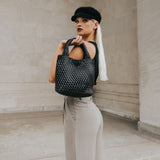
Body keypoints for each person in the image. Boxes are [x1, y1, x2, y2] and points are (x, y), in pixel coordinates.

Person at [48, 6, 108, 160]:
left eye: (85, 20)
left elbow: (53, 77)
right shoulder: (94, 48)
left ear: (96, 25)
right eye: (77, 21)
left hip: (80, 111)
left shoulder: (84, 47)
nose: (79, 24)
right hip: (86, 109)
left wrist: (61, 47)